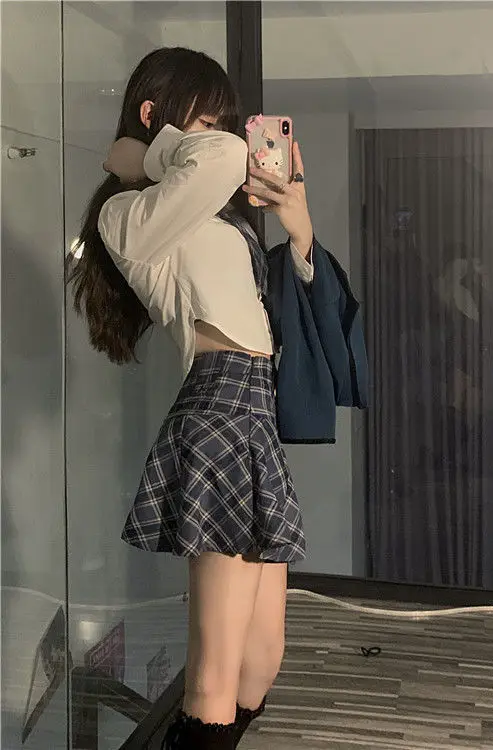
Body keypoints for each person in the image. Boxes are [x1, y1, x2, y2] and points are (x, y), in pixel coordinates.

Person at [68, 47, 315, 749]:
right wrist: (142, 156)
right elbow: (219, 158)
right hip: (219, 410)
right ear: (154, 115)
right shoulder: (128, 213)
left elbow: (274, 301)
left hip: (253, 410)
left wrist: (297, 223)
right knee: (215, 670)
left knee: (261, 659)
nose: (223, 136)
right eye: (207, 120)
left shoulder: (203, 208)